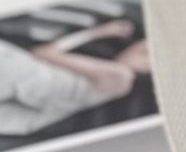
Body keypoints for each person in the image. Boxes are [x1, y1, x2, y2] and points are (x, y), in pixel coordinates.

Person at [0, 19, 152, 138]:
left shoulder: (120, 75)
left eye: (144, 53)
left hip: (28, 82)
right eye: (140, 47)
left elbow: (44, 52)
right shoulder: (119, 82)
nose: (134, 50)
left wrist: (101, 31)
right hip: (28, 100)